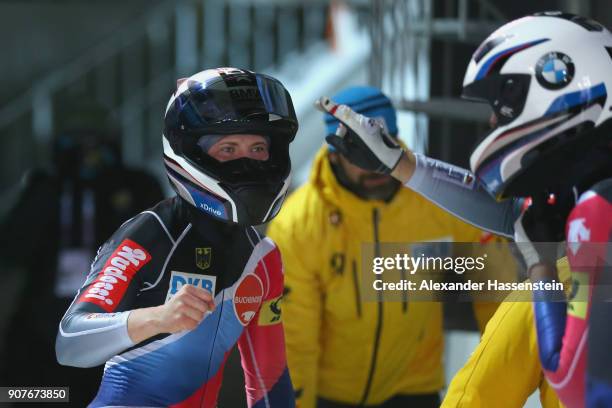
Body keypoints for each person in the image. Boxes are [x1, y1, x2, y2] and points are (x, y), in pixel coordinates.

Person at [317, 12, 612, 408]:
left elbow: (578, 387)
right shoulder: (592, 187)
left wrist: (540, 269)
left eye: (504, 105)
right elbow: (517, 215)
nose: (493, 120)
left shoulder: (598, 210)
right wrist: (398, 164)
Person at [56, 67, 297, 407]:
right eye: (228, 149)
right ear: (191, 153)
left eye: (258, 147)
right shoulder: (149, 233)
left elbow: (269, 379)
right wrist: (160, 317)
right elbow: (69, 342)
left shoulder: (263, 257)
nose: (249, 162)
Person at [267, 86, 512, 408]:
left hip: (414, 390)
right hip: (332, 396)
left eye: (385, 145)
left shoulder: (438, 199)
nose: (375, 166)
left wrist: (497, 386)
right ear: (334, 151)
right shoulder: (300, 224)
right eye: (359, 153)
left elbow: (497, 293)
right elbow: (295, 342)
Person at [0, 102, 164, 407]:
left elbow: (158, 248)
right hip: (44, 326)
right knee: (30, 397)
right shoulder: (43, 187)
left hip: (115, 321)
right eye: (77, 143)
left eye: (95, 143)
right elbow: (13, 248)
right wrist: (53, 193)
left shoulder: (138, 186)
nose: (87, 153)